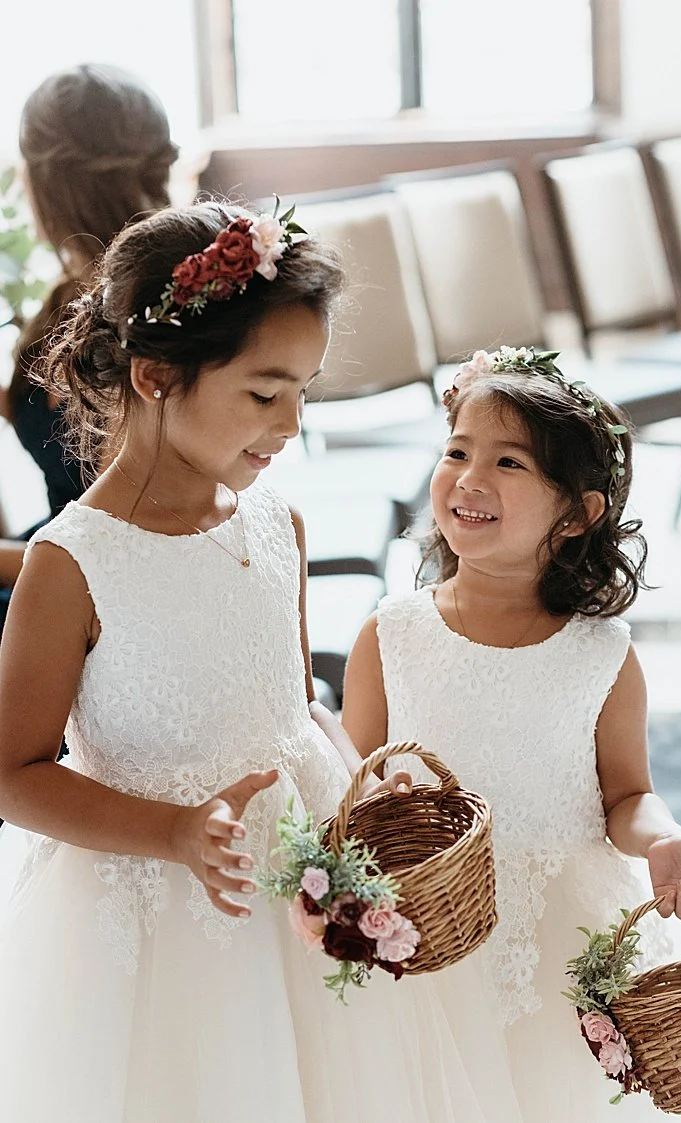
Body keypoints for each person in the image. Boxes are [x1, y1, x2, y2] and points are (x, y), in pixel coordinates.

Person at [0, 201, 523, 1122]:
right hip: (158, 915)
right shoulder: (72, 563)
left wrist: (359, 772)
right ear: (158, 374)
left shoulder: (280, 525)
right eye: (263, 391)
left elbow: (289, 705)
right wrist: (170, 831)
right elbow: (13, 772)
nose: (292, 423)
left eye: (305, 390)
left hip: (298, 882)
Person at [339, 347, 681, 1120]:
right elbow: (350, 782)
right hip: (429, 937)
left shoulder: (600, 655)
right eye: (457, 450)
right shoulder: (389, 636)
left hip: (556, 944)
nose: (469, 476)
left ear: (578, 513)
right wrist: (371, 800)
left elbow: (627, 794)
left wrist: (662, 840)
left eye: (509, 462)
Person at [0, 64, 176, 626]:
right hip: (51, 566)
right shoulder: (64, 302)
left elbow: (132, 550)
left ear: (45, 183)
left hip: (109, 607)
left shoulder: (155, 321)